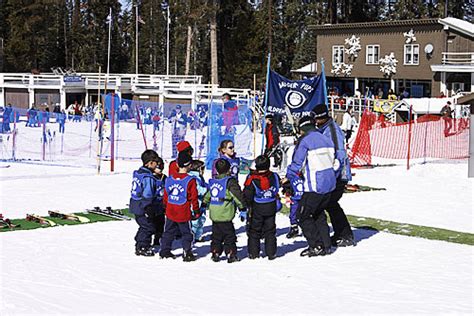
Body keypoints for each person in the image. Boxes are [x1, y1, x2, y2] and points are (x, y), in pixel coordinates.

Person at [286, 115, 337, 257]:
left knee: (303, 216)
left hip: (314, 185)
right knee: (319, 214)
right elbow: (335, 160)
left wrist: (288, 176)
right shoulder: (326, 139)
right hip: (329, 184)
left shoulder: (305, 141)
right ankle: (326, 245)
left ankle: (316, 245)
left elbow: (297, 164)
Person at [313, 103, 355, 247]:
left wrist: (335, 174)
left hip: (338, 174)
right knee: (330, 204)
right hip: (331, 173)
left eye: (317, 119)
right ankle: (342, 233)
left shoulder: (332, 130)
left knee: (330, 203)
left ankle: (345, 234)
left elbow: (340, 154)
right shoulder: (323, 129)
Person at [201, 158, 247, 263]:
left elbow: (208, 194)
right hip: (225, 213)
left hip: (215, 214)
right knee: (229, 236)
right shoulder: (229, 182)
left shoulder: (213, 181)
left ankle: (215, 251)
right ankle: (231, 253)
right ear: (229, 169)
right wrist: (242, 208)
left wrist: (204, 203)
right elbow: (237, 196)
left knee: (216, 236)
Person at [159, 152, 200, 261]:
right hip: (183, 210)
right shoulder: (190, 180)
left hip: (171, 209)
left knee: (168, 232)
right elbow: (193, 197)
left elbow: (166, 194)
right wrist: (196, 210)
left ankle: (164, 250)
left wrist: (165, 206)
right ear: (190, 165)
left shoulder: (170, 178)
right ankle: (187, 252)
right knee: (186, 232)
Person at [243, 155, 281, 260]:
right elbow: (278, 187)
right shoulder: (274, 176)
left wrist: (247, 205)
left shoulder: (252, 179)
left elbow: (248, 194)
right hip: (271, 205)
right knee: (270, 230)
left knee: (254, 230)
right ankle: (271, 252)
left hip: (257, 207)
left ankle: (253, 253)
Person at [129, 150, 164, 257]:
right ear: (149, 163)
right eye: (155, 162)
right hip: (143, 206)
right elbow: (147, 194)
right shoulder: (148, 177)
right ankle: (143, 246)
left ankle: (140, 243)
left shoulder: (139, 173)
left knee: (144, 225)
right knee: (148, 227)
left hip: (135, 204)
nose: (157, 164)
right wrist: (148, 207)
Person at [188, 160, 208, 242]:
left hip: (201, 203)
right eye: (203, 168)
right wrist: (206, 190)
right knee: (195, 222)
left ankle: (198, 236)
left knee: (201, 219)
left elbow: (204, 184)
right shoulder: (193, 178)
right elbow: (197, 190)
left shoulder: (199, 177)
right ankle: (192, 236)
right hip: (195, 203)